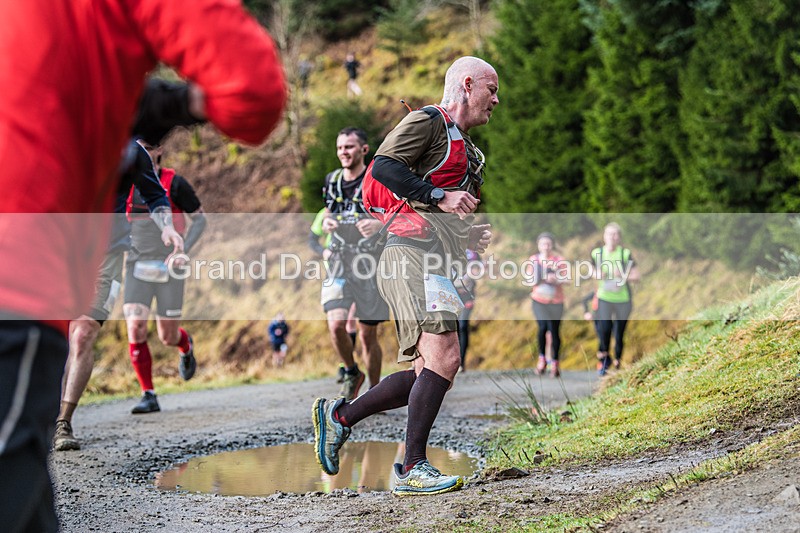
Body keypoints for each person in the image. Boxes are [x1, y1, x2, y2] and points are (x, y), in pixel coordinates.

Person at [0, 1, 285, 529]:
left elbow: (184, 215)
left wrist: (181, 242)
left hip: (123, 256)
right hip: (28, 262)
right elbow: (253, 94)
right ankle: (99, 406)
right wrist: (155, 99)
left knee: (160, 332)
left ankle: (166, 359)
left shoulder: (164, 178)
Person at [312, 56, 498, 496]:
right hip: (408, 257)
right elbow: (383, 169)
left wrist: (469, 234)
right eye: (491, 89)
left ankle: (340, 418)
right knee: (445, 358)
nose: (496, 100)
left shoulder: (468, 149)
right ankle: (412, 467)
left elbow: (439, 210)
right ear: (467, 85)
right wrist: (440, 195)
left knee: (427, 372)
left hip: (432, 259)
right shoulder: (429, 120)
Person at [53, 135, 185, 451]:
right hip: (58, 251)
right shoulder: (66, 135)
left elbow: (155, 197)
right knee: (49, 335)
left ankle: (63, 422)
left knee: (83, 334)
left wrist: (166, 226)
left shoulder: (131, 150)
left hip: (107, 253)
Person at [123, 141, 207, 414]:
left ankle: (185, 344)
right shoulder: (126, 181)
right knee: (135, 325)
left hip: (171, 266)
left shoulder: (176, 183)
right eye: (139, 146)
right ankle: (148, 393)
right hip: (137, 263)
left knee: (167, 336)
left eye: (148, 147)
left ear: (158, 150)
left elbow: (201, 220)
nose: (143, 151)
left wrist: (183, 250)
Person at [319, 128, 388, 400]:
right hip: (338, 261)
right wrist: (326, 222)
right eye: (340, 148)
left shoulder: (377, 181)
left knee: (367, 335)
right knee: (335, 325)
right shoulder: (332, 180)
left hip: (369, 264)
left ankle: (375, 394)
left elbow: (396, 215)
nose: (343, 152)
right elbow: (327, 213)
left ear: (364, 150)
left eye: (349, 147)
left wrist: (378, 224)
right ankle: (351, 371)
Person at [309, 208, 359, 383]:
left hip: (358, 270)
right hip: (334, 272)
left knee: (351, 320)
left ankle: (349, 368)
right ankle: (346, 364)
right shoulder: (324, 212)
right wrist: (324, 251)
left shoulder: (355, 208)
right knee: (338, 323)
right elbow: (312, 239)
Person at [590, 222, 641, 375]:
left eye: (615, 234)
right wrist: (597, 274)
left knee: (619, 332)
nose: (612, 237)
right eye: (609, 234)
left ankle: (618, 361)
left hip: (623, 299)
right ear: (604, 236)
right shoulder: (597, 253)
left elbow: (636, 276)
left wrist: (623, 275)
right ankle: (604, 358)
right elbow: (591, 271)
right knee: (604, 328)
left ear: (619, 237)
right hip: (604, 297)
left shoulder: (624, 254)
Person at [528, 232, 568, 378]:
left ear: (552, 245)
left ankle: (555, 362)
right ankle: (542, 359)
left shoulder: (559, 260)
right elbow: (528, 279)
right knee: (543, 327)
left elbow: (567, 279)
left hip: (556, 301)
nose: (546, 246)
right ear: (538, 245)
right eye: (543, 244)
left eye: (548, 244)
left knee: (554, 330)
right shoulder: (534, 260)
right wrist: (541, 278)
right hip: (539, 300)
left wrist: (556, 279)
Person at [456, 249, 480, 372]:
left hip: (467, 296)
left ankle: (462, 362)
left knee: (463, 326)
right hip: (451, 296)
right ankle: (452, 361)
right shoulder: (449, 245)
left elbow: (479, 271)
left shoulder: (473, 252)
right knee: (452, 328)